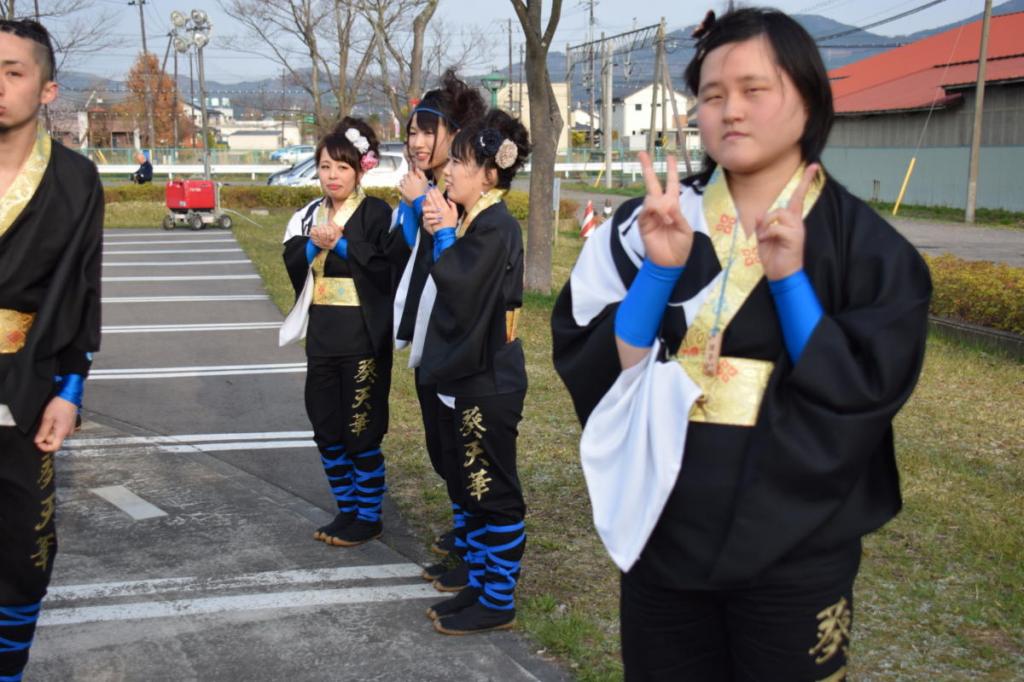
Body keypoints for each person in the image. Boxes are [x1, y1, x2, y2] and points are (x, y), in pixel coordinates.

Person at [551, 8, 932, 680]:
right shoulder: (648, 223)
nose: (731, 110)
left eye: (755, 90)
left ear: (808, 99)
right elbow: (604, 364)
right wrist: (660, 272)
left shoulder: (869, 250)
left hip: (798, 540)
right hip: (664, 524)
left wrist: (789, 283)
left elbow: (864, 389)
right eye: (713, 94)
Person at [0, 19, 103, 681]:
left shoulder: (73, 180)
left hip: (23, 383)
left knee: (21, 551)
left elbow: (82, 294)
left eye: (13, 71)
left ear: (46, 88)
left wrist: (70, 389)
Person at [416, 108, 530, 635]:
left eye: (460, 161)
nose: (450, 170)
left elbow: (460, 287)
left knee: (493, 490)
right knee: (472, 485)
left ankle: (498, 598)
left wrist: (441, 234)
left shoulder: (495, 225)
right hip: (475, 376)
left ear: (490, 172)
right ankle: (481, 587)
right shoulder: (477, 220)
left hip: (490, 379)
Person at [389, 69, 487, 589]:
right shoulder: (428, 188)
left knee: (458, 446)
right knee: (440, 443)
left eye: (429, 131)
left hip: (458, 341)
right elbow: (410, 253)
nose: (418, 141)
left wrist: (418, 202)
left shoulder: (464, 194)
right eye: (412, 132)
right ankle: (463, 529)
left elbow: (458, 262)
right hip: (430, 334)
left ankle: (473, 544)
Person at [280, 117, 393, 547]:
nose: (332, 176)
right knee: (325, 425)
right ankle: (346, 509)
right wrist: (314, 243)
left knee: (360, 428)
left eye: (342, 167)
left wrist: (342, 244)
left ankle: (369, 515)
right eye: (325, 166)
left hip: (362, 335)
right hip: (324, 333)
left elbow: (384, 268)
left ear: (360, 170)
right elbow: (293, 259)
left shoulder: (378, 212)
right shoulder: (309, 213)